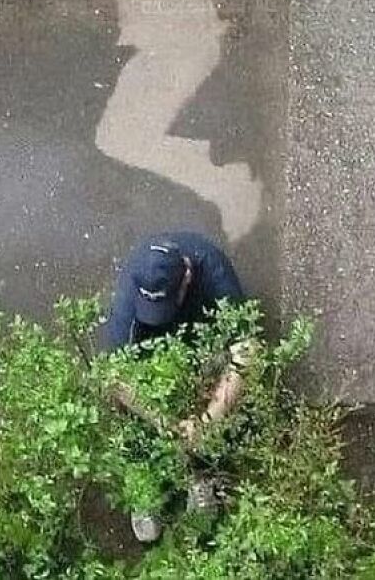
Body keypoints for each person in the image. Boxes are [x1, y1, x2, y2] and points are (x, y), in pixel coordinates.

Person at [102, 231, 255, 543]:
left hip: (201, 341)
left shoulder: (211, 268)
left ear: (186, 277)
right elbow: (113, 376)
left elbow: (248, 352)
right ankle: (144, 482)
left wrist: (207, 420)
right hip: (152, 351)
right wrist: (160, 420)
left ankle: (200, 475)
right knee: (132, 415)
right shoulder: (131, 290)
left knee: (214, 398)